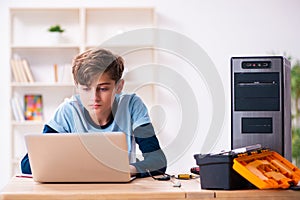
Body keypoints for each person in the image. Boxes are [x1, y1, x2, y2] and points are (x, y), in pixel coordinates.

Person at [21, 48, 167, 177]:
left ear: (119, 86)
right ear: (77, 87)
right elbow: (28, 164)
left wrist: (125, 170)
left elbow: (158, 161)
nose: (94, 98)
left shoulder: (132, 105)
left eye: (103, 89)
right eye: (85, 89)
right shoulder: (68, 111)